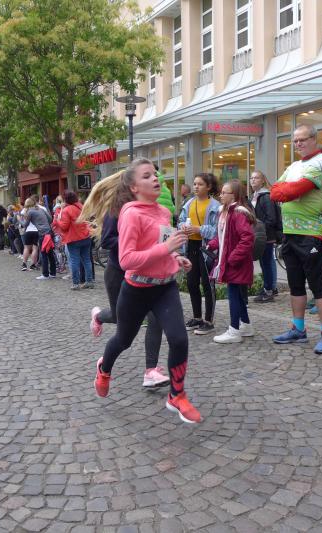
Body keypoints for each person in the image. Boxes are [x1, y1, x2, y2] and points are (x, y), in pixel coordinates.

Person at [93, 158, 201, 424]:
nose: (155, 178)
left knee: (179, 339)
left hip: (165, 287)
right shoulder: (130, 214)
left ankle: (177, 395)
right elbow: (127, 259)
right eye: (146, 176)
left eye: (155, 174)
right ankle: (104, 368)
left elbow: (163, 248)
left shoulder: (163, 212)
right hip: (136, 289)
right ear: (133, 187)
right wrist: (167, 248)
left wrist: (176, 258)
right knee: (123, 340)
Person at [270, 124, 322, 354]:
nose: (298, 144)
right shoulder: (295, 166)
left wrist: (288, 190)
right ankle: (298, 329)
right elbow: (275, 190)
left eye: (302, 139)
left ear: (314, 139)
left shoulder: (321, 163)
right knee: (295, 284)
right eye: (295, 140)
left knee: (318, 286)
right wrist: (286, 190)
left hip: (312, 233)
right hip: (291, 232)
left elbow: (291, 191)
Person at [207, 180, 255, 344]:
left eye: (224, 193)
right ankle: (246, 325)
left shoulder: (238, 213)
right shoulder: (226, 212)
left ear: (234, 195)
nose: (220, 195)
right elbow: (223, 236)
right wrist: (212, 244)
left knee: (233, 294)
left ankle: (234, 330)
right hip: (231, 260)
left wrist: (233, 257)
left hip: (235, 262)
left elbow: (247, 238)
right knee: (237, 294)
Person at [177, 173, 220, 335]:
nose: (196, 187)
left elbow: (217, 230)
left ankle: (209, 321)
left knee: (208, 285)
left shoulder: (215, 206)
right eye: (194, 184)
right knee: (191, 283)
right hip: (191, 246)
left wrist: (198, 229)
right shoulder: (189, 203)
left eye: (200, 184)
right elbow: (181, 220)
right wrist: (183, 226)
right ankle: (197, 317)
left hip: (207, 248)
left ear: (209, 187)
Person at [248, 171, 281, 303]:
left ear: (262, 181)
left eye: (256, 178)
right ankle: (269, 287)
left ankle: (269, 290)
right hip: (260, 235)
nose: (253, 180)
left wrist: (260, 231)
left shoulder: (266, 196)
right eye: (251, 178)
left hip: (266, 236)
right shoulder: (254, 196)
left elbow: (271, 218)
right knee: (265, 262)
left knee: (266, 262)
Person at [54, 191, 93, 289]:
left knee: (74, 261)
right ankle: (89, 281)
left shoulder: (67, 210)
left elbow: (64, 226)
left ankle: (76, 283)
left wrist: (57, 220)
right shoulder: (81, 207)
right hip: (86, 237)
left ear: (66, 199)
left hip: (73, 238)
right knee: (87, 260)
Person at [27, 198, 56, 279]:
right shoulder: (42, 209)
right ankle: (53, 273)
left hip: (42, 234)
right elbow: (50, 219)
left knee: (43, 254)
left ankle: (45, 274)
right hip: (49, 232)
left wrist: (20, 221)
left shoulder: (30, 211)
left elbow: (26, 224)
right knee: (50, 253)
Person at [19, 198, 40, 271]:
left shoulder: (24, 211)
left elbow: (22, 222)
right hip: (36, 230)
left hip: (28, 231)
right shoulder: (37, 209)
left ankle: (24, 264)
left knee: (26, 248)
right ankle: (33, 264)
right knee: (35, 249)